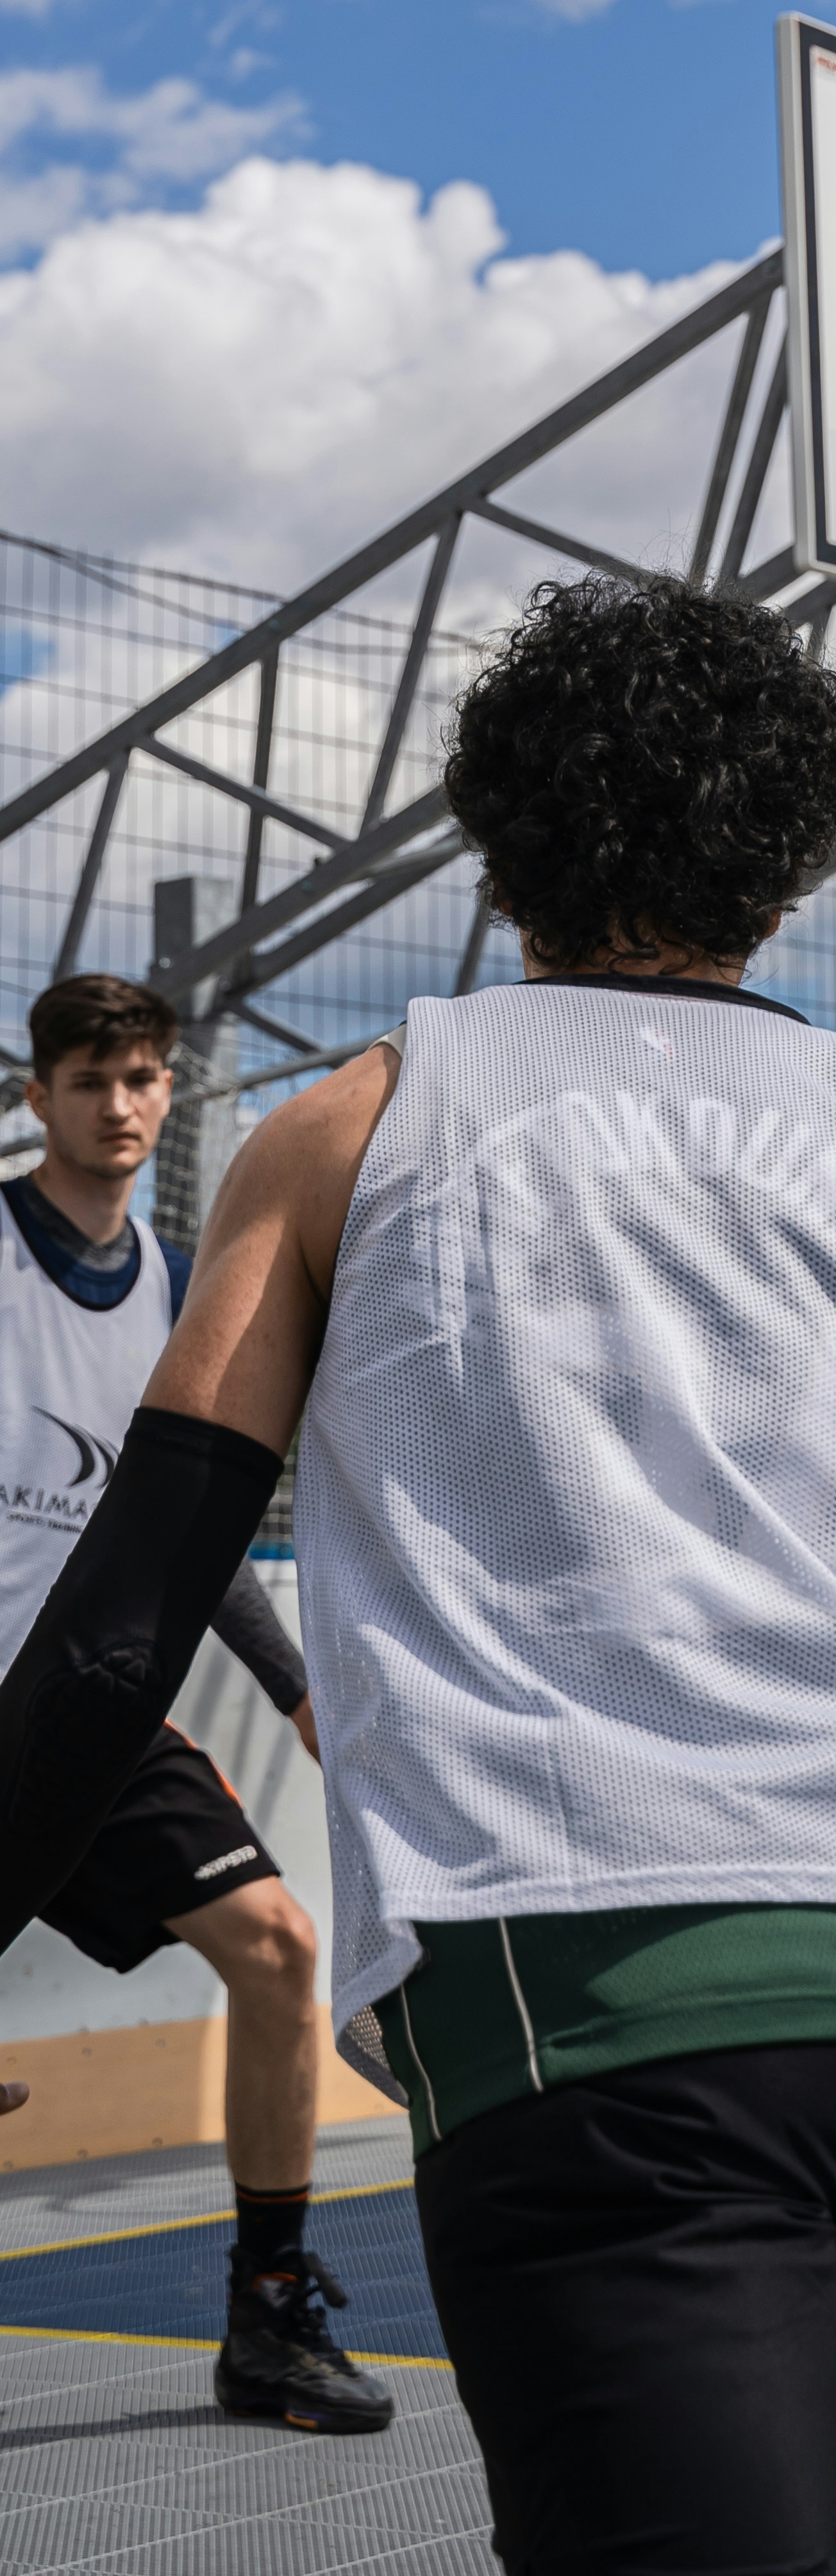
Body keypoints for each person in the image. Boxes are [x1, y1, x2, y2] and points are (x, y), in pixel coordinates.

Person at [0, 575, 836, 2576]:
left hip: (601, 2011)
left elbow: (127, 1616)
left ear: (498, 848)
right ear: (787, 864)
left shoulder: (353, 1131)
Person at [3, 970, 387, 2435]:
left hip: (87, 1708)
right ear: (38, 1096)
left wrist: (296, 1687)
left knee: (279, 1949)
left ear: (171, 1093)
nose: (120, 1104)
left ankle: (269, 2317)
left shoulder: (181, 1282)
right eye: (90, 1080)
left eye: (144, 1077)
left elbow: (184, 1527)